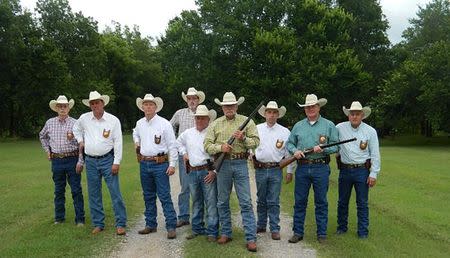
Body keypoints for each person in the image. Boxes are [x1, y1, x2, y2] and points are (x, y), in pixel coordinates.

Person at [204, 92, 259, 252]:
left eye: (232, 105)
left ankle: (251, 238)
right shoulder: (215, 124)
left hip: (241, 163)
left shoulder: (246, 122)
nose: (229, 108)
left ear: (236, 106)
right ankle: (226, 233)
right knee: (222, 202)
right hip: (223, 165)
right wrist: (221, 148)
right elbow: (207, 145)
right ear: (222, 107)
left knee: (246, 202)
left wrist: (243, 138)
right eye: (226, 106)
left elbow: (255, 142)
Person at [286, 94, 338, 244]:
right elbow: (289, 144)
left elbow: (336, 145)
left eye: (313, 106)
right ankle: (297, 232)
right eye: (307, 107)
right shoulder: (298, 126)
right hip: (302, 168)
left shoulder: (328, 125)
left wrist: (323, 150)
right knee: (300, 201)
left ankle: (321, 234)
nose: (310, 109)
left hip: (321, 167)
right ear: (304, 109)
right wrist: (295, 151)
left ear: (318, 107)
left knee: (321, 202)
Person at [73, 91, 127, 235]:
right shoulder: (84, 118)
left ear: (103, 103)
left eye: (97, 102)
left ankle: (120, 223)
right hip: (90, 160)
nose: (95, 105)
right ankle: (98, 223)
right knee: (94, 193)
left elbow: (118, 142)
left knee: (115, 191)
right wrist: (80, 141)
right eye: (92, 103)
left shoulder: (113, 120)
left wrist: (116, 162)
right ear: (90, 105)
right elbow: (75, 129)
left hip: (108, 159)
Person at [133, 94, 178, 239]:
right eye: (145, 104)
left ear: (156, 107)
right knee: (148, 196)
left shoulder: (164, 123)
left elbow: (172, 145)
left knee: (164, 195)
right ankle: (150, 224)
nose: (148, 107)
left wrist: (172, 165)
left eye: (151, 104)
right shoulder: (139, 123)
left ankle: (171, 226)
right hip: (144, 163)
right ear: (142, 107)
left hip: (160, 163)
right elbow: (135, 133)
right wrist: (136, 141)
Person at [336, 101, 380, 239]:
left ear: (362, 115)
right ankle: (341, 228)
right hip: (345, 169)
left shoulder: (370, 131)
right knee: (342, 201)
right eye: (352, 114)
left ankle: (363, 232)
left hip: (362, 170)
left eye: (357, 114)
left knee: (362, 202)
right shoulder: (339, 128)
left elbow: (375, 153)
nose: (354, 116)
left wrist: (373, 173)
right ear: (348, 115)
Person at [39, 95, 85, 226]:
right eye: (60, 106)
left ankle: (80, 219)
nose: (63, 108)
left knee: (76, 190)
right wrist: (48, 151)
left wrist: (80, 161)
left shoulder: (76, 123)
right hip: (57, 160)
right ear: (56, 108)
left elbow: (82, 143)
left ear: (68, 108)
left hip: (72, 158)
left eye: (65, 106)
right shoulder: (49, 123)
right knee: (59, 190)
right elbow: (42, 136)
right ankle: (59, 218)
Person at [253, 101, 295, 240]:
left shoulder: (284, 131)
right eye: (269, 112)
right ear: (265, 113)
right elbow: (249, 145)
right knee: (261, 199)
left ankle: (275, 228)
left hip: (276, 169)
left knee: (274, 200)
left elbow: (289, 154)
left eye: (274, 112)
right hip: (260, 168)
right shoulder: (256, 129)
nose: (271, 115)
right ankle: (261, 224)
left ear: (278, 114)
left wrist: (289, 171)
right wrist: (250, 156)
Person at [177, 105, 219, 242]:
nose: (199, 120)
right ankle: (197, 228)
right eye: (197, 118)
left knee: (211, 201)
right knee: (196, 201)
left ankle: (212, 231)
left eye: (202, 118)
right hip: (193, 171)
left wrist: (214, 171)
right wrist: (184, 154)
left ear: (208, 119)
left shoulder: (213, 133)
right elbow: (177, 143)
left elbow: (219, 155)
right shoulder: (188, 133)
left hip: (207, 170)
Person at [170, 87, 205, 227]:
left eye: (194, 98)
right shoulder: (179, 113)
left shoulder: (203, 113)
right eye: (189, 98)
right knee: (185, 186)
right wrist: (174, 142)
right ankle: (184, 216)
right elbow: (169, 126)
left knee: (203, 187)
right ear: (186, 100)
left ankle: (203, 217)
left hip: (201, 156)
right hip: (184, 155)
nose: (192, 101)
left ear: (198, 100)